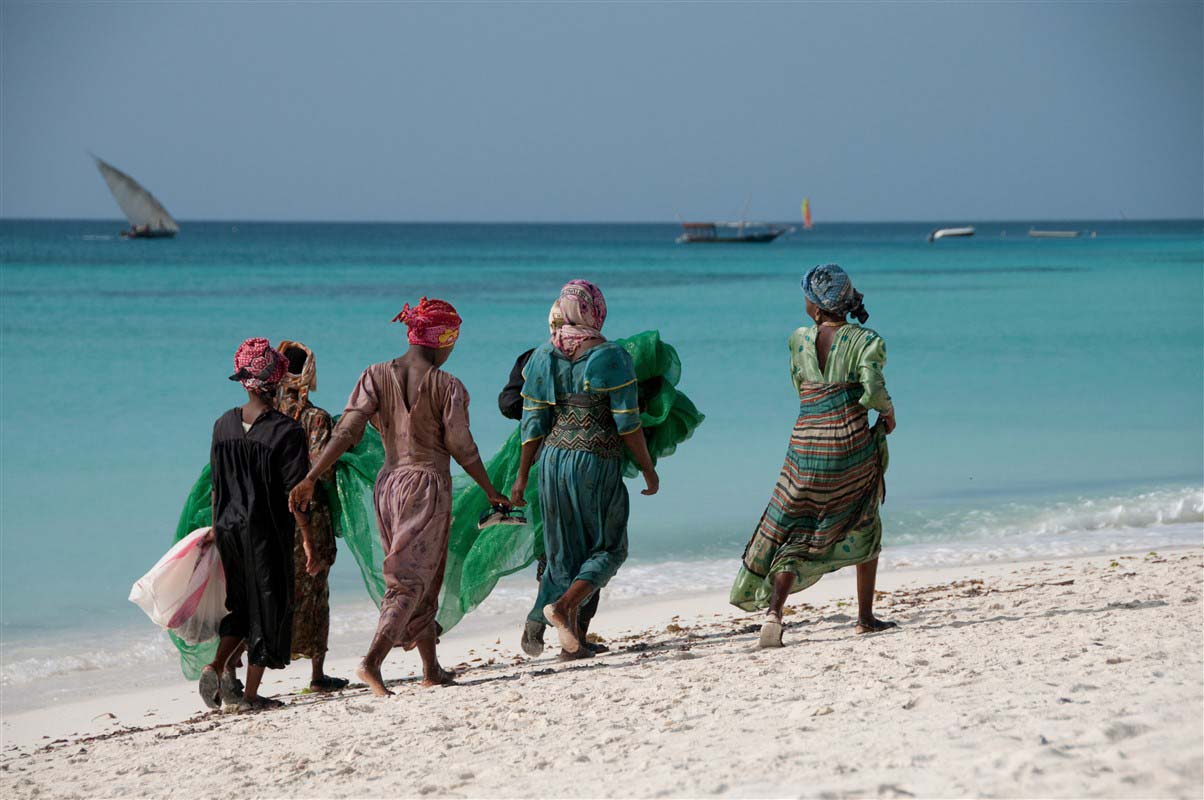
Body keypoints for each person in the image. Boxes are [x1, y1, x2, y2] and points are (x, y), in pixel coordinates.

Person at [289, 298, 510, 696]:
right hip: (426, 484)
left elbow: (347, 432)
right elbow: (463, 448)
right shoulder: (448, 386)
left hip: (388, 485)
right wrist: (491, 491)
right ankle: (372, 661)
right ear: (443, 339)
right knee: (409, 581)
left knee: (422, 574)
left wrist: (311, 476)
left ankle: (431, 668)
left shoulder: (373, 375)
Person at [730, 264, 896, 647]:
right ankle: (865, 618)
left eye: (807, 295)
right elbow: (872, 390)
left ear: (818, 305)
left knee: (796, 527)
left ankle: (774, 612)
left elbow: (799, 386)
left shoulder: (798, 340)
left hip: (804, 444)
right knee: (864, 517)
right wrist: (887, 413)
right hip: (848, 444)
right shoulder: (867, 340)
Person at [510, 280, 659, 656]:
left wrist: (522, 476)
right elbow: (628, 423)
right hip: (595, 460)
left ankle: (561, 636)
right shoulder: (611, 356)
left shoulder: (542, 356)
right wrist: (647, 468)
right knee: (609, 547)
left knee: (562, 552)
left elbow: (532, 423)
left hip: (552, 461)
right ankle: (559, 608)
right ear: (594, 309)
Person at [199, 338, 320, 712]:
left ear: (244, 381)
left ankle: (216, 665)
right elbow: (296, 496)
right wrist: (308, 540)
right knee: (269, 608)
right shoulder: (287, 431)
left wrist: (216, 530)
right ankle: (249, 696)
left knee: (239, 604)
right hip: (266, 532)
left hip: (228, 529)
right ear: (278, 382)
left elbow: (216, 486)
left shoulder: (223, 425)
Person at [275, 339, 348, 693]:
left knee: (271, 588)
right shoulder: (315, 418)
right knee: (315, 590)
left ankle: (246, 668)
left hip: (269, 516)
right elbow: (322, 470)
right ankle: (317, 674)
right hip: (309, 516)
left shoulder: (263, 415)